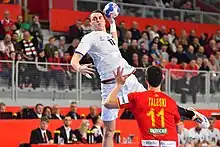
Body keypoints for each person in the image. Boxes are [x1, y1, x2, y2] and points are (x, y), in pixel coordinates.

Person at [71, 10, 209, 147]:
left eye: (99, 17)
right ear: (90, 23)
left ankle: (190, 114)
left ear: (104, 20)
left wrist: (113, 22)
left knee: (157, 102)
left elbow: (115, 38)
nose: (97, 20)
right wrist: (79, 67)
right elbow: (74, 60)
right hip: (109, 86)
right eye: (94, 19)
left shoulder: (108, 37)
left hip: (128, 80)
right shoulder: (88, 38)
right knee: (109, 131)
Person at [104, 66, 180, 146]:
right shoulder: (171, 102)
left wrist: (118, 85)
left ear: (146, 80)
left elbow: (108, 103)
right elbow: (179, 128)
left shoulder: (137, 98)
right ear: (162, 78)